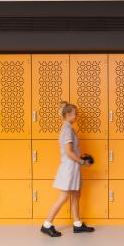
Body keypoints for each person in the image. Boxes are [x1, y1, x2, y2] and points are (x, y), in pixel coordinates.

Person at [41, 101, 95, 237]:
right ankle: (46, 225)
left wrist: (80, 158)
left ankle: (77, 224)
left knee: (76, 195)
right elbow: (69, 152)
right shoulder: (67, 130)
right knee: (64, 196)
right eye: (75, 114)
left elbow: (72, 151)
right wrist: (83, 162)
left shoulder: (69, 128)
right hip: (68, 169)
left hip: (73, 168)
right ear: (67, 114)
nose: (77, 116)